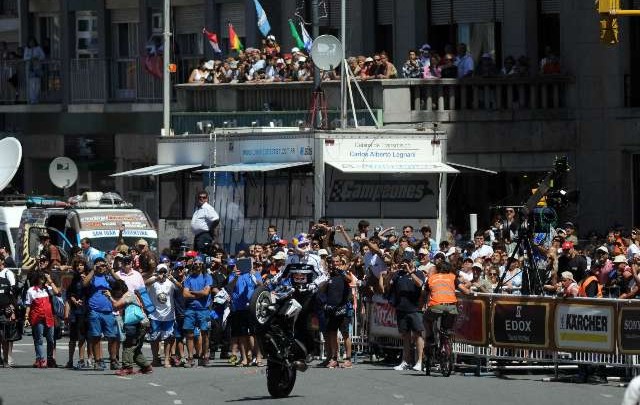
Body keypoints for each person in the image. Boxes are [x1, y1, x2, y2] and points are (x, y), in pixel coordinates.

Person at [386, 251, 425, 372]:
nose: (405, 263)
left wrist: (410, 271)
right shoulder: (398, 274)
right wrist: (390, 275)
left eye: (407, 261)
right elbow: (387, 287)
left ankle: (419, 361)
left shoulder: (418, 273)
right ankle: (405, 361)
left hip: (415, 309)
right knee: (405, 336)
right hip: (401, 308)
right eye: (404, 261)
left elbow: (420, 284)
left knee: (418, 335)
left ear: (412, 261)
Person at [105, 280, 153, 375]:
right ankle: (146, 367)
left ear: (120, 289)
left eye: (115, 291)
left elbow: (116, 306)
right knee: (136, 348)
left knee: (128, 346)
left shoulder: (129, 295)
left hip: (138, 324)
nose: (115, 293)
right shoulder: (127, 295)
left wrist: (109, 297)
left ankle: (127, 367)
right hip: (140, 323)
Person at [82, 257, 121, 371]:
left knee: (112, 337)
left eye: (103, 266)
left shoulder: (108, 278)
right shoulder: (92, 278)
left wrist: (111, 271)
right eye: (99, 266)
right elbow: (84, 284)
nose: (101, 268)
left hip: (108, 311)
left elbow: (120, 283)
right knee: (96, 337)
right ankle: (98, 360)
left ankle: (113, 359)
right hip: (95, 311)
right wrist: (93, 270)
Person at [145, 263, 182, 368]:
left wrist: (173, 279)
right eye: (160, 271)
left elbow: (180, 288)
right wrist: (156, 278)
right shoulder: (153, 280)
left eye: (164, 272)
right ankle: (155, 359)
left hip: (168, 315)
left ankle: (166, 359)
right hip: (155, 315)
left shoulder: (170, 281)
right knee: (154, 338)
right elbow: (145, 283)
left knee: (168, 338)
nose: (162, 274)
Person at [321, 255, 354, 369]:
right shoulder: (329, 275)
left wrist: (342, 271)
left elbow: (350, 280)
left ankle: (348, 359)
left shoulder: (344, 273)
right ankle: (334, 358)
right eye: (333, 262)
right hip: (331, 309)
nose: (335, 263)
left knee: (345, 334)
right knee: (332, 334)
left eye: (337, 261)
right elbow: (322, 290)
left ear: (340, 262)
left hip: (343, 309)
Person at [24, 270, 60, 368]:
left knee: (51, 339)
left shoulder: (48, 288)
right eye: (41, 278)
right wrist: (26, 317)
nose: (43, 280)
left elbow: (57, 292)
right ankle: (41, 359)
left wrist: (50, 280)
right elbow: (28, 305)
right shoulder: (31, 290)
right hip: (37, 317)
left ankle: (49, 359)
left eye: (44, 278)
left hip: (49, 317)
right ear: (37, 279)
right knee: (39, 339)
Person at [182, 257, 212, 368]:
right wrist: (199, 294)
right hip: (190, 309)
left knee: (205, 334)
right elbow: (185, 294)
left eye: (200, 263)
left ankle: (205, 357)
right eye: (196, 263)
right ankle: (190, 358)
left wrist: (192, 292)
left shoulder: (207, 277)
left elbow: (206, 292)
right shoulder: (189, 278)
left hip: (204, 310)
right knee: (189, 334)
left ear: (203, 265)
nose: (198, 265)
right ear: (193, 264)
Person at [64, 257, 90, 369]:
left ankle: (82, 360)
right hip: (75, 311)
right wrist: (74, 300)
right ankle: (70, 360)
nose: (79, 267)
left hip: (85, 310)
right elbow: (69, 294)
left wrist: (87, 281)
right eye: (78, 265)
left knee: (83, 337)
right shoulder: (74, 279)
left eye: (81, 265)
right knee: (72, 338)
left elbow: (90, 293)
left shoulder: (88, 278)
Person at [0, 255, 19, 368]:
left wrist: (12, 311)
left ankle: (7, 359)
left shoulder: (8, 275)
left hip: (5, 311)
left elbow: (13, 294)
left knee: (5, 336)